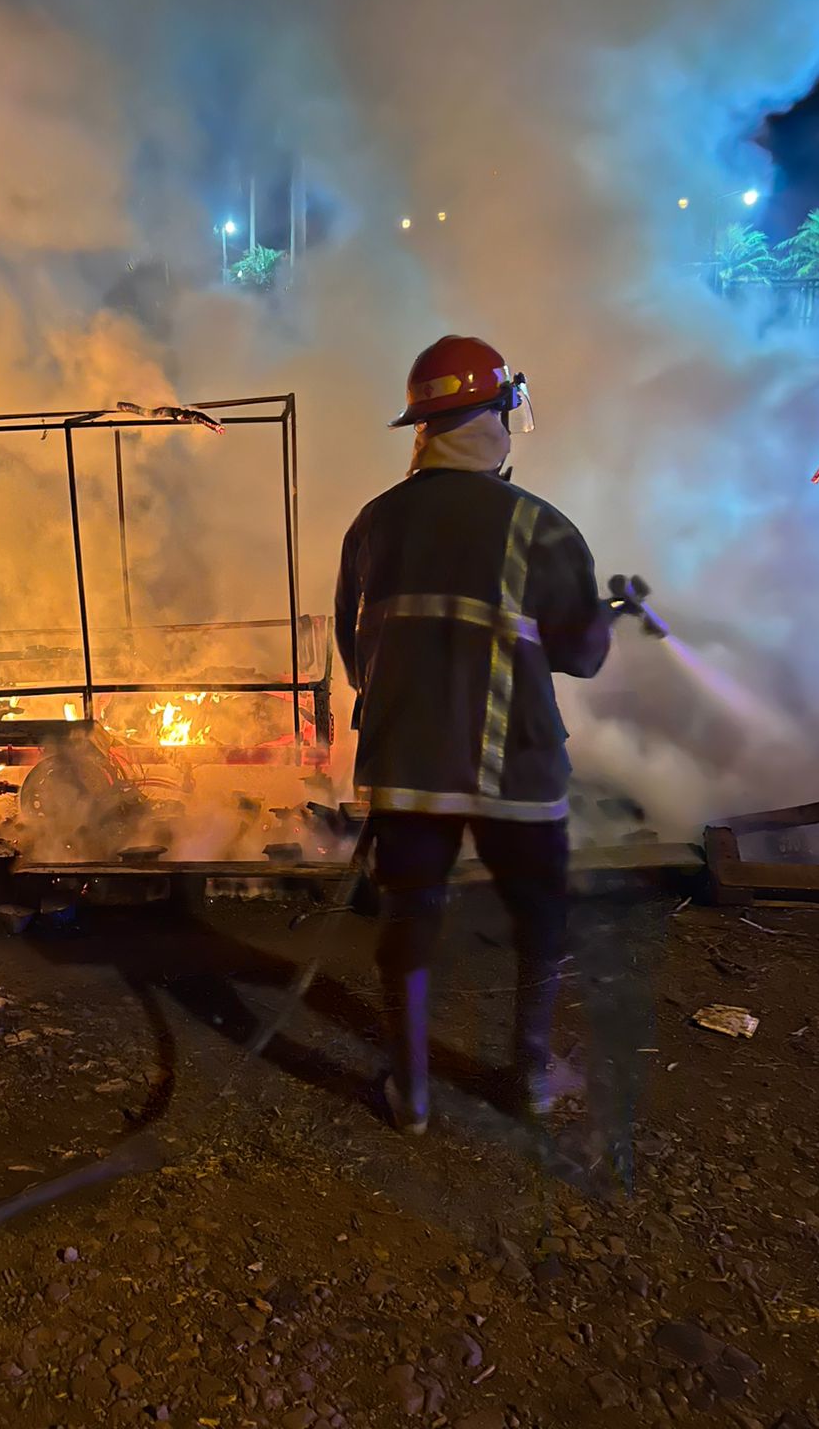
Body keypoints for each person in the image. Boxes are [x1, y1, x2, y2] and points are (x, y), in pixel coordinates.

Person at [335, 335, 613, 1135]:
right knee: (540, 916)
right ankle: (530, 1075)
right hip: (516, 768)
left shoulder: (373, 523)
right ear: (499, 413)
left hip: (408, 765)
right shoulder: (540, 525)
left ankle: (412, 1093)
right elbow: (584, 657)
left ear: (420, 427)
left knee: (409, 918)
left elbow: (356, 654)